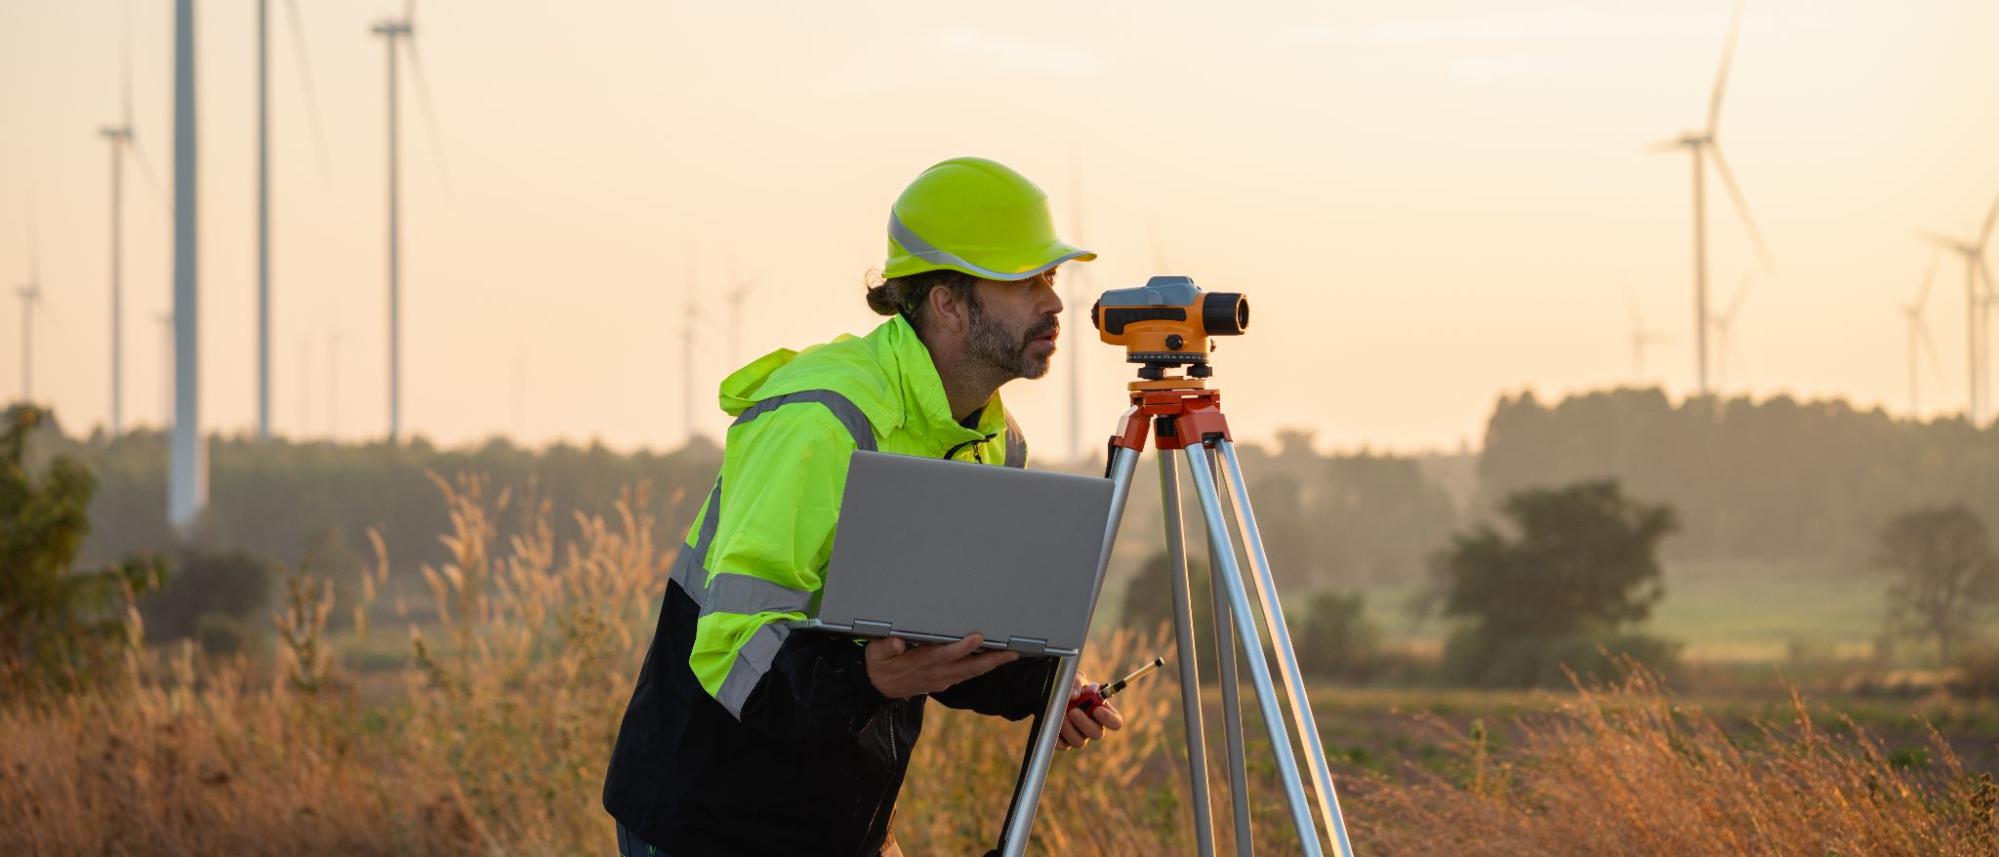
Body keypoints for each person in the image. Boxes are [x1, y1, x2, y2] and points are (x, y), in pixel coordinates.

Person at [603, 157, 1124, 857]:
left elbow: (940, 635)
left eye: (1050, 278)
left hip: (835, 821)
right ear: (946, 301)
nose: (1053, 302)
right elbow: (731, 650)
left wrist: (1042, 685)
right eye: (1023, 279)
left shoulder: (993, 439)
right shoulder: (821, 420)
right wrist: (865, 677)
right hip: (711, 820)